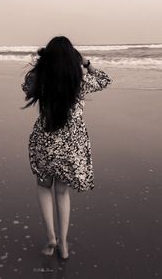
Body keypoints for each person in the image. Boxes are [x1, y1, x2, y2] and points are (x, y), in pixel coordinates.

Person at [21, 36, 112, 260]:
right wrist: (86, 64)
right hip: (71, 146)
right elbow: (104, 79)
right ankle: (63, 244)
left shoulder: (39, 78)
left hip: (45, 141)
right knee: (62, 192)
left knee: (44, 186)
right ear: (73, 57)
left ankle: (51, 237)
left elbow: (26, 87)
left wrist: (42, 64)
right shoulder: (79, 81)